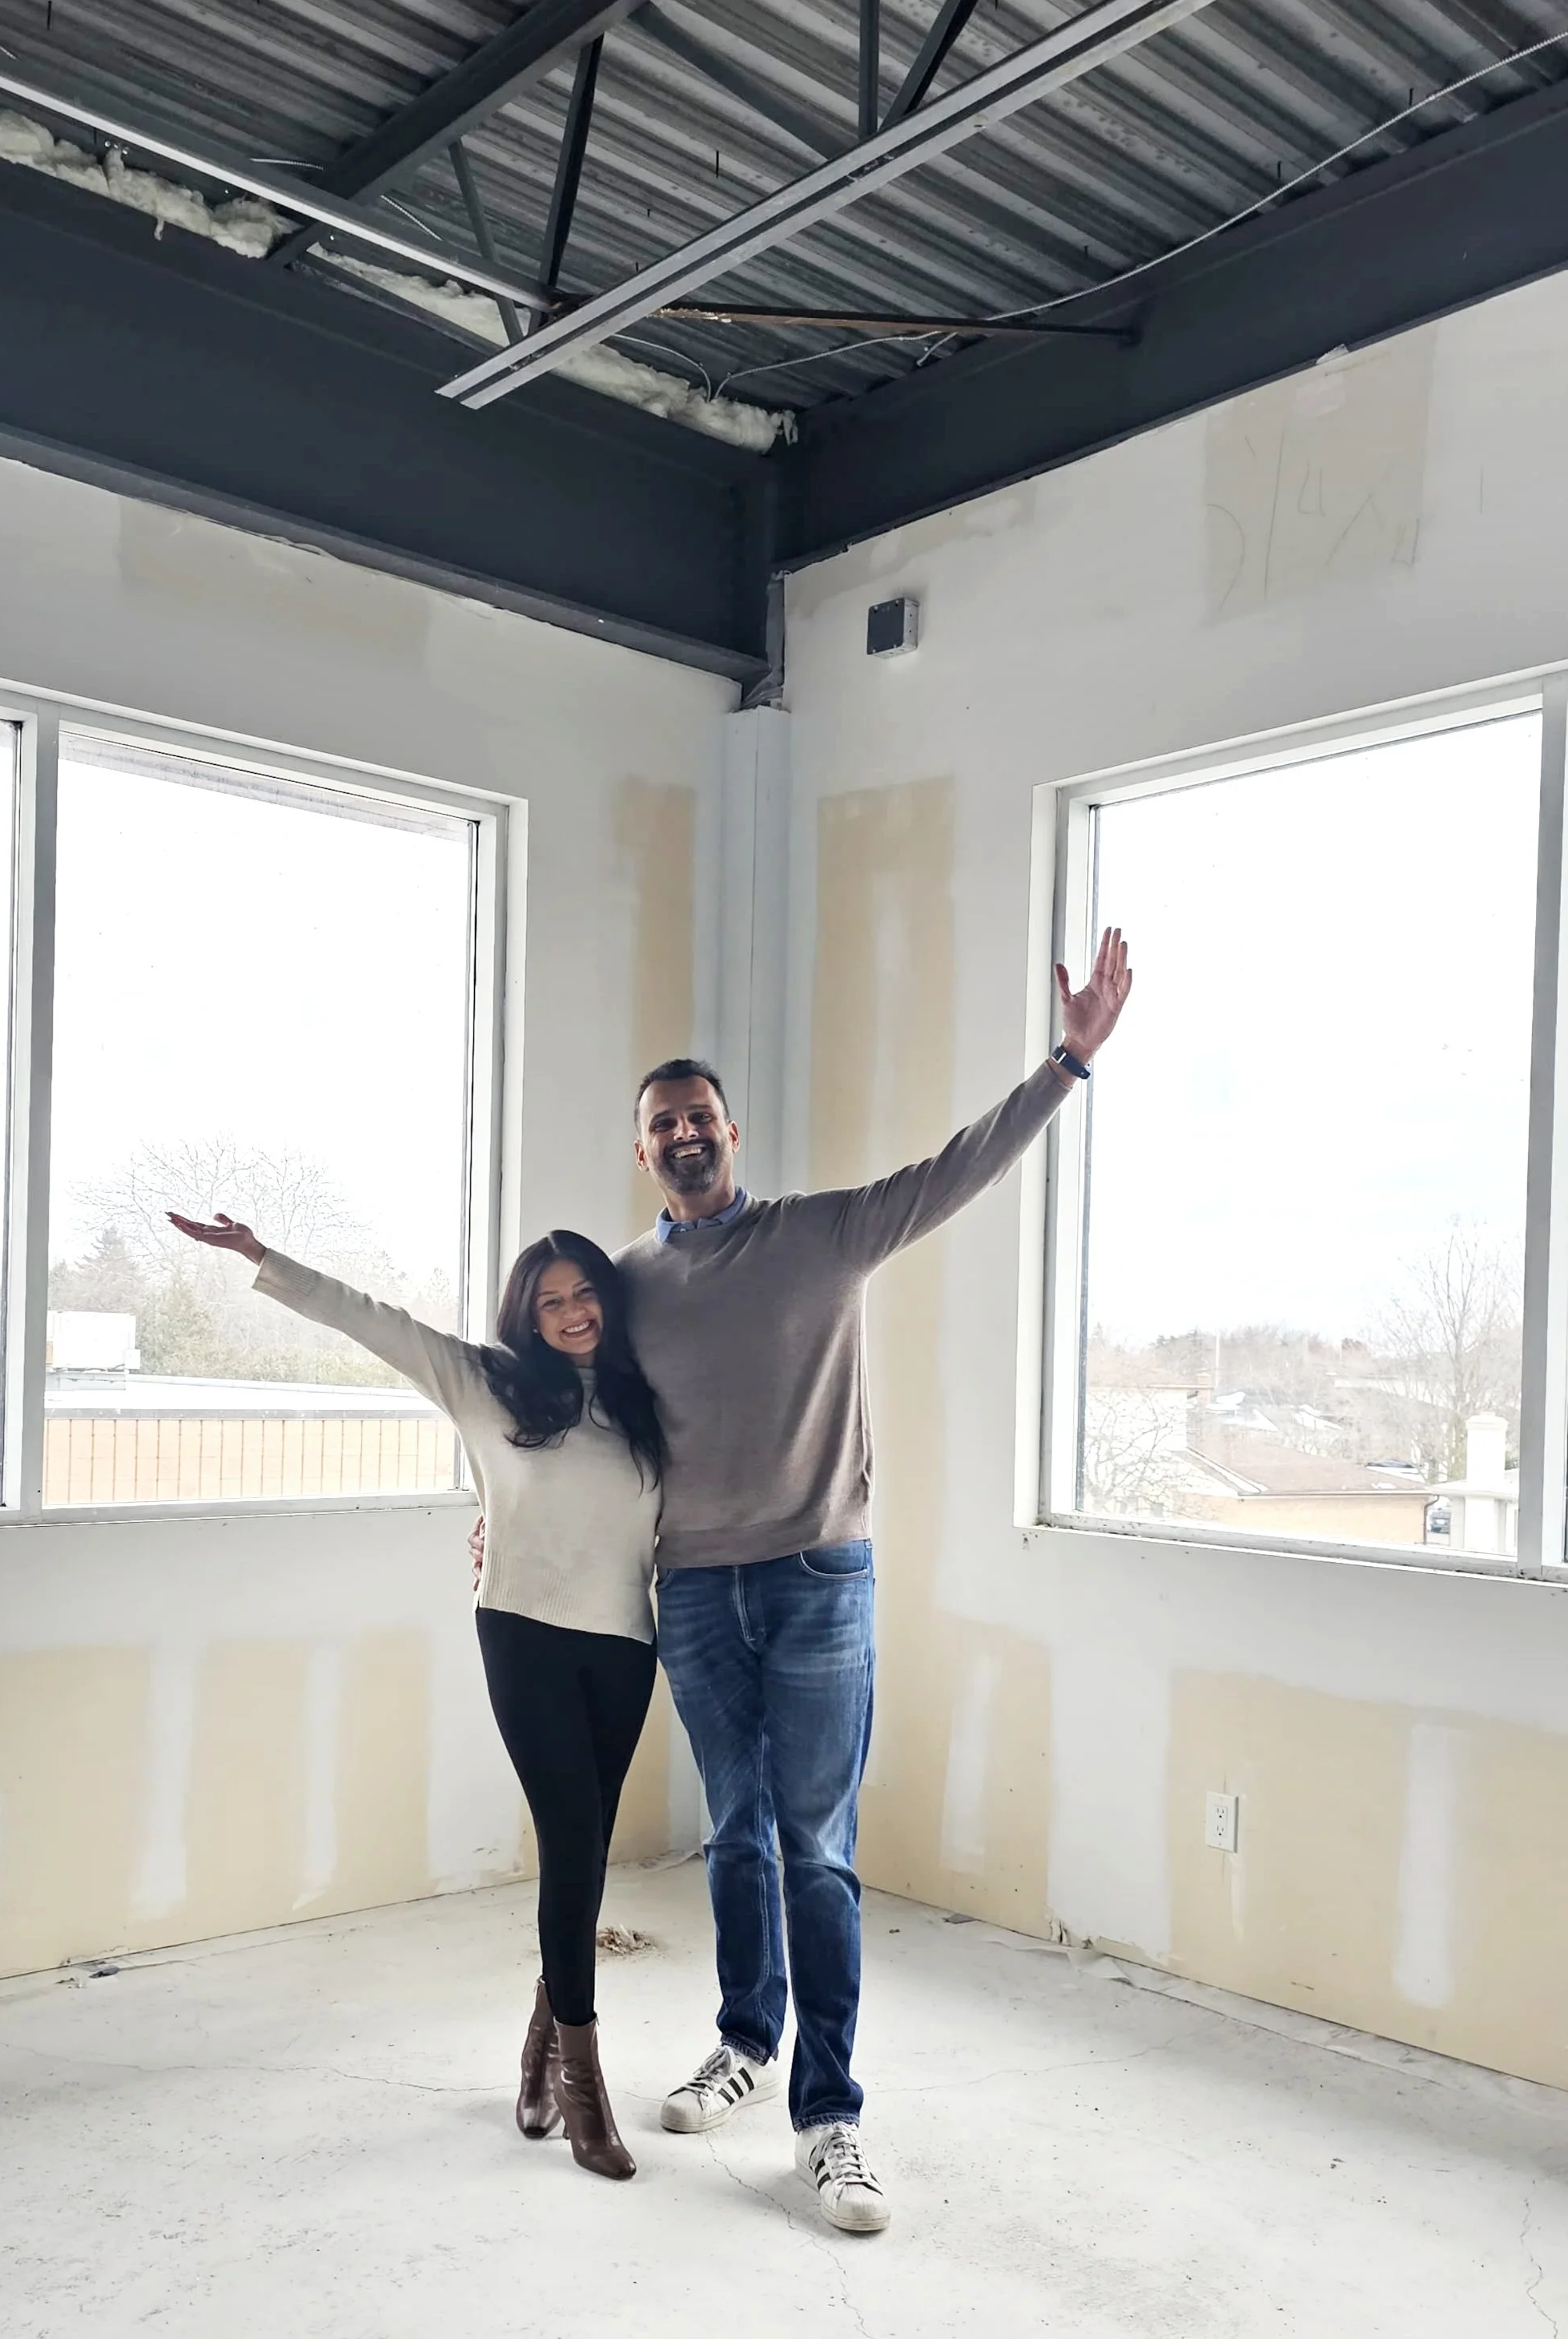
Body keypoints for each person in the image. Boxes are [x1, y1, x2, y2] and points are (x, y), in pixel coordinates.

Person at [616, 925, 1133, 2236]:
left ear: (732, 1133)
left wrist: (1067, 1062)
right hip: (693, 1592)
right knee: (734, 1834)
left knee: (816, 1849)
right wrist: (498, 1523)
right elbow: (569, 1423)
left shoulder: (823, 1235)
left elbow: (961, 1167)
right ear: (643, 1150)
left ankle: (828, 2114)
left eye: (701, 1115)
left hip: (817, 1583)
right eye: (664, 1122)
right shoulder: (624, 1286)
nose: (686, 1133)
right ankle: (745, 2040)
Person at [167, 1209, 664, 2184]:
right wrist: (265, 1256)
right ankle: (583, 2083)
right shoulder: (487, 1380)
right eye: (549, 1300)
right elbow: (374, 1319)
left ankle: (542, 2043)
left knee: (586, 1854)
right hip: (523, 1630)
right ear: (525, 1314)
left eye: (583, 1293)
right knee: (570, 1842)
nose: (571, 1311)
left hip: (625, 1644)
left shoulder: (644, 1398)